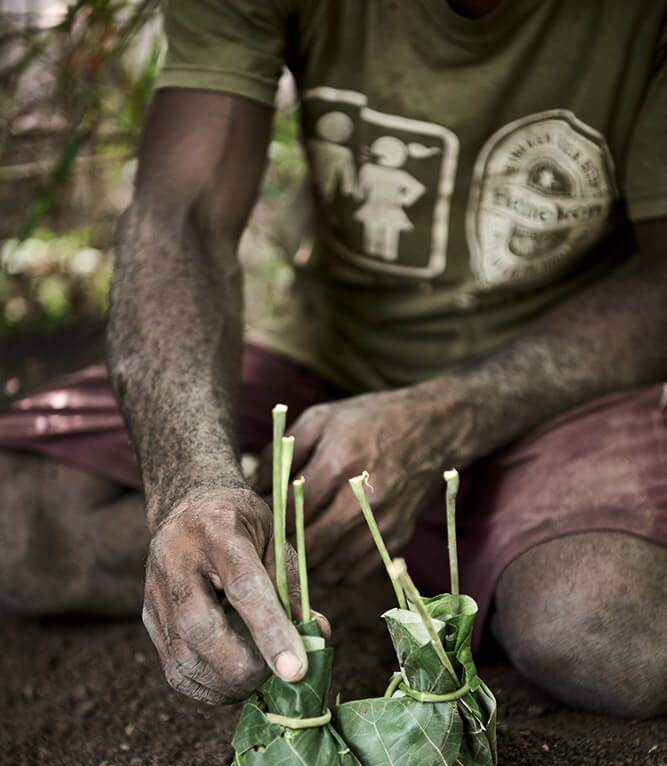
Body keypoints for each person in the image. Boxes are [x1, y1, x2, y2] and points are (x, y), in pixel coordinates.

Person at [1, 0, 666, 717]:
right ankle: (405, 545)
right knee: (21, 520)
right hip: (327, 344)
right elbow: (182, 216)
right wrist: (191, 485)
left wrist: (449, 416)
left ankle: (411, 535)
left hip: (559, 374)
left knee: (607, 631)